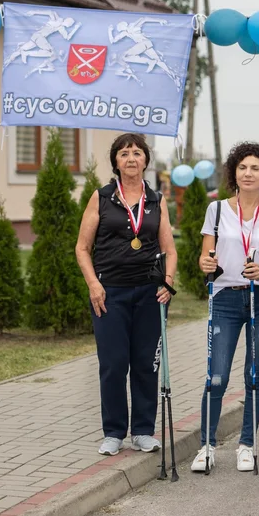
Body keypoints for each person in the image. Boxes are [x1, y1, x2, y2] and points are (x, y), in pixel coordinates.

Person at [75, 133, 177, 456]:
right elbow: (82, 248)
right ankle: (114, 432)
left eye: (137, 152)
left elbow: (169, 249)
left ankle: (144, 430)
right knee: (114, 364)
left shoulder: (156, 200)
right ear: (116, 162)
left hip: (149, 293)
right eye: (124, 153)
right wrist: (93, 284)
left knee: (147, 363)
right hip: (110, 293)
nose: (131, 158)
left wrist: (167, 282)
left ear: (146, 160)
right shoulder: (102, 198)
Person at [190, 142, 259, 472]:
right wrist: (205, 263)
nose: (248, 173)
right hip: (226, 297)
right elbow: (206, 255)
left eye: (255, 168)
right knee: (217, 376)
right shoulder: (216, 210)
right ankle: (206, 447)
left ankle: (247, 444)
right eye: (243, 167)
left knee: (254, 376)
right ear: (233, 172)